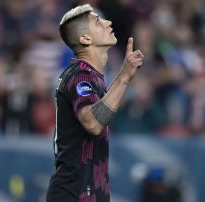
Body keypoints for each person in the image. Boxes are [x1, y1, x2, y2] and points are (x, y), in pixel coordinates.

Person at [46, 4, 144, 202]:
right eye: (98, 21)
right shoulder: (80, 75)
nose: (108, 22)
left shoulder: (92, 76)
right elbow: (92, 123)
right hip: (74, 194)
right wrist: (124, 78)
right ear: (85, 38)